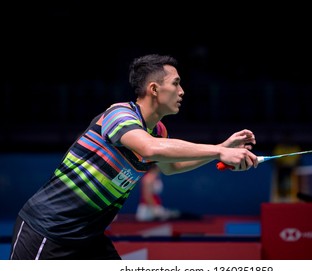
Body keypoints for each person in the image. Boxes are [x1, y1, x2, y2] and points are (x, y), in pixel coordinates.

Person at [9, 54, 258, 260]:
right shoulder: (119, 114)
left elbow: (173, 166)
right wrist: (219, 151)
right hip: (48, 228)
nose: (182, 91)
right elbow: (150, 149)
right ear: (154, 89)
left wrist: (222, 145)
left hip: (88, 236)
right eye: (176, 83)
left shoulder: (158, 131)